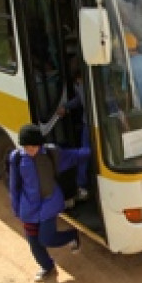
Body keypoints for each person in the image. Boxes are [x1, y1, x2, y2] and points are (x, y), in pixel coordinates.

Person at [9, 124, 91, 283]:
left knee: (46, 239)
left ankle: (72, 235)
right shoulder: (17, 158)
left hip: (49, 204)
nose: (30, 150)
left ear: (39, 144)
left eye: (33, 147)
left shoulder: (52, 153)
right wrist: (16, 209)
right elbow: (14, 186)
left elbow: (74, 156)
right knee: (34, 243)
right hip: (29, 208)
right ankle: (47, 267)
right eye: (26, 147)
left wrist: (98, 151)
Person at [57, 58, 91, 201]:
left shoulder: (88, 85)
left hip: (92, 125)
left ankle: (82, 185)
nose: (78, 83)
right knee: (84, 154)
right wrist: (67, 106)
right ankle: (82, 185)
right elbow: (80, 100)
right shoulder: (82, 85)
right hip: (88, 124)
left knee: (85, 154)